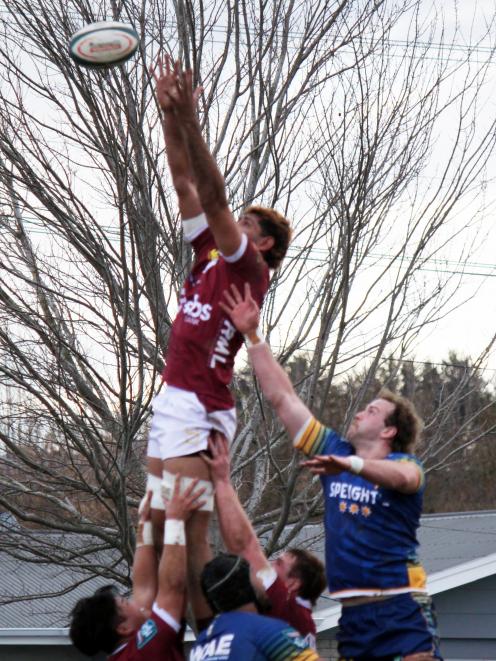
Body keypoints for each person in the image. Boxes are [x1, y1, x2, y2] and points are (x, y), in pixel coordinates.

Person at [219, 283, 443, 661]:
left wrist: (351, 465)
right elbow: (282, 398)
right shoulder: (334, 451)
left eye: (371, 411)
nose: (358, 413)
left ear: (390, 431)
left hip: (400, 605)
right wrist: (253, 335)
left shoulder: (403, 465)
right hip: (354, 617)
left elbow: (406, 481)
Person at [146, 56, 292, 626]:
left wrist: (192, 120)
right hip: (173, 397)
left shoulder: (249, 269)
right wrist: (168, 117)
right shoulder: (210, 252)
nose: (238, 224)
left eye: (251, 225)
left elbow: (212, 190)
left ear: (265, 247)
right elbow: (184, 181)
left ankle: (218, 638)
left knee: (190, 539)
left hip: (200, 405)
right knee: (162, 530)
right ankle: (206, 634)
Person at [202, 431, 326, 648]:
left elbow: (245, 546)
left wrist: (222, 480)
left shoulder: (289, 608)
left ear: (293, 584)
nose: (268, 562)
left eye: (279, 564)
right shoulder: (297, 619)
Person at [69, 478, 204, 659]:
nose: (134, 602)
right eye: (126, 603)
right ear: (123, 628)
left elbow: (144, 588)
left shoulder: (129, 650)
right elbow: (173, 586)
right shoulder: (146, 649)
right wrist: (175, 521)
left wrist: (144, 523)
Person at [189, 553, 322, 660]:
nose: (261, 580)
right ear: (246, 585)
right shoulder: (265, 630)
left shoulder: (201, 643)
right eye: (255, 575)